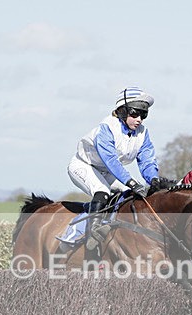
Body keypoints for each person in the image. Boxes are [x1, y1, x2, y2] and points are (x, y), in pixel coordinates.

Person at [68, 86, 159, 250]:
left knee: (130, 195)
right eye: (135, 114)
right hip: (84, 165)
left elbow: (147, 160)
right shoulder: (107, 127)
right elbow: (111, 160)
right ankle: (91, 234)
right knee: (102, 191)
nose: (139, 119)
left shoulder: (142, 133)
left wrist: (154, 180)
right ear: (122, 111)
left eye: (143, 115)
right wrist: (131, 182)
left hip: (108, 172)